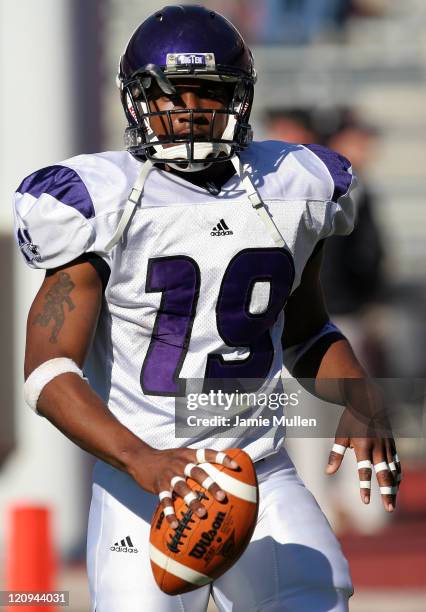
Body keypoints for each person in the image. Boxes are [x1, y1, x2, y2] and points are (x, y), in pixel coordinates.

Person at [14, 6, 401, 612]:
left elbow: (305, 333)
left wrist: (359, 391)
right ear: (136, 101)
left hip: (259, 468)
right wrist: (141, 459)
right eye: (170, 95)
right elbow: (47, 371)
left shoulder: (290, 187)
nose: (188, 108)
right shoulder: (104, 201)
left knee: (318, 600)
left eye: (207, 92)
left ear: (240, 99)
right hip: (141, 478)